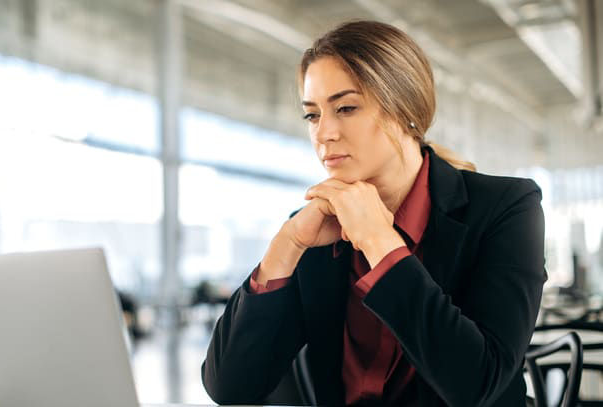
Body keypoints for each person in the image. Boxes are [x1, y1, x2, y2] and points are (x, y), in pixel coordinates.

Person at [201, 20, 546, 407]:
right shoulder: (314, 230)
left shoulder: (506, 208)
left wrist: (380, 242)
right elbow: (230, 387)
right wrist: (286, 245)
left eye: (345, 108)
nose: (323, 133)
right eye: (312, 115)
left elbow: (478, 384)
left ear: (405, 110)